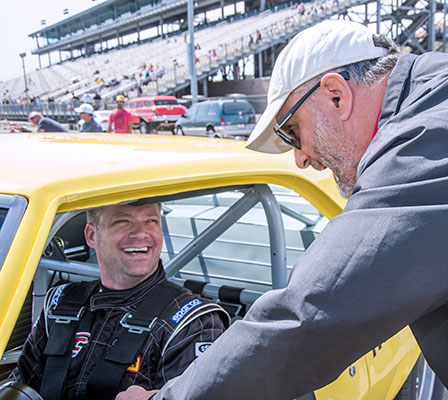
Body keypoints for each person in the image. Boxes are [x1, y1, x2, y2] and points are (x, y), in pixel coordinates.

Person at [118, 19, 448, 400]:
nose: (301, 159)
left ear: (337, 96)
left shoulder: (426, 143)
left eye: (292, 132)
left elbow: (308, 316)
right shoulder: (432, 97)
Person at [11, 200, 229, 399]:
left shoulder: (193, 321)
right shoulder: (60, 304)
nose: (140, 233)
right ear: (91, 235)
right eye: (122, 221)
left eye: (150, 220)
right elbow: (18, 388)